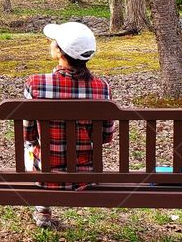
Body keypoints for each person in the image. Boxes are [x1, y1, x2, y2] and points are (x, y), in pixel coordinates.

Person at [23, 21, 116, 229]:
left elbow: (27, 135)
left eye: (54, 42)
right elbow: (105, 138)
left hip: (45, 174)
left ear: (59, 52)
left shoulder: (36, 83)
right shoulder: (102, 88)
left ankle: (43, 212)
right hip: (86, 174)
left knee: (28, 146)